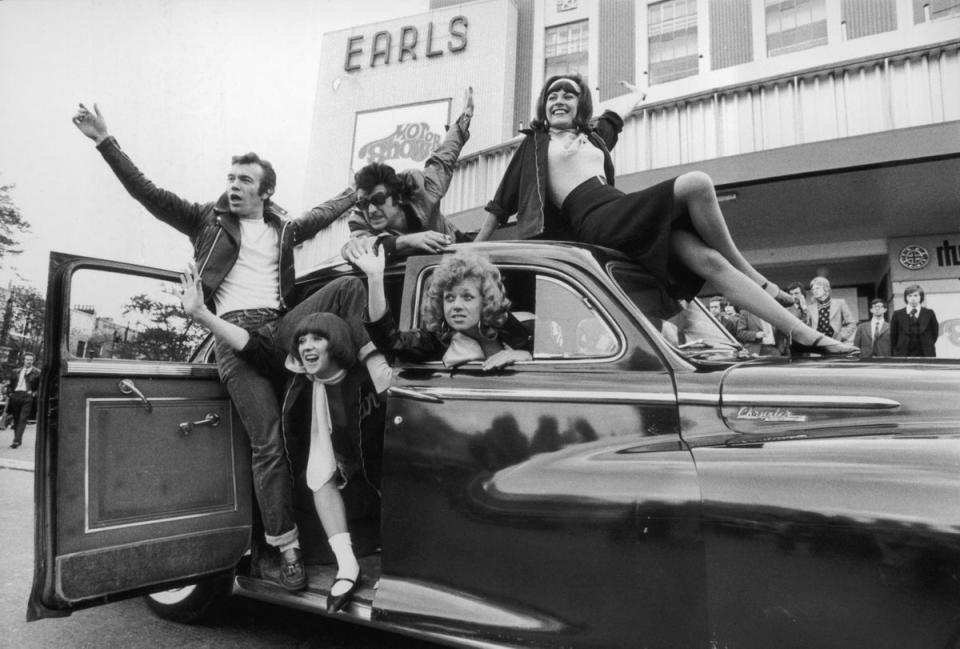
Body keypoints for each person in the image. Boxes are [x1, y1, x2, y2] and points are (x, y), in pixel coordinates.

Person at [71, 102, 390, 591]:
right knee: (268, 443)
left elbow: (326, 213)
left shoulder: (284, 229)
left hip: (280, 328)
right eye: (231, 177)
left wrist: (358, 191)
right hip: (231, 337)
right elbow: (147, 193)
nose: (234, 185)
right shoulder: (205, 221)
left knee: (348, 287)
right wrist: (104, 140)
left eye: (245, 179)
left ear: (266, 190)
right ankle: (285, 548)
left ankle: (376, 364)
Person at [476, 74, 854, 355]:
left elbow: (615, 115)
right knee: (697, 183)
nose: (559, 99)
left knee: (708, 259)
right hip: (595, 221)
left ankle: (806, 337)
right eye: (552, 95)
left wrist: (638, 94)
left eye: (568, 95)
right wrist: (472, 249)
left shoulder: (593, 138)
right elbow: (500, 202)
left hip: (619, 209)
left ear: (580, 106)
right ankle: (757, 276)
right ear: (544, 105)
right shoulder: (534, 145)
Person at [179, 263, 369, 612]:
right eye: (302, 341)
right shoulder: (296, 370)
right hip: (325, 452)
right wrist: (203, 314)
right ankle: (336, 562)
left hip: (365, 459)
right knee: (317, 476)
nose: (308, 348)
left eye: (318, 339)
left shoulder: (361, 376)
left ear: (339, 341)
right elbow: (250, 345)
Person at [340, 88, 475, 262]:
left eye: (379, 199)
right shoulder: (359, 220)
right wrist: (410, 240)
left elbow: (443, 159)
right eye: (364, 203)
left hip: (454, 248)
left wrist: (464, 119)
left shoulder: (420, 188)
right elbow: (354, 250)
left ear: (397, 196)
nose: (371, 210)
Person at [349, 248, 533, 369]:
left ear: (485, 301)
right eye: (449, 298)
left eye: (467, 297)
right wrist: (374, 278)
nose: (457, 306)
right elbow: (391, 340)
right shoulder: (437, 340)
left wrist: (520, 356)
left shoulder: (511, 328)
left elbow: (543, 354)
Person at [890, 284, 939, 357]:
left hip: (926, 353)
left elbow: (934, 333)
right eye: (909, 296)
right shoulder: (897, 314)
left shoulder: (929, 313)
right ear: (906, 298)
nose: (912, 298)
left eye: (915, 295)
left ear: (921, 297)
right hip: (904, 353)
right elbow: (893, 336)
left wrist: (927, 344)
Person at [6, 352, 40, 449]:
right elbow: (10, 384)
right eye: (27, 359)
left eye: (31, 360)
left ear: (33, 361)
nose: (29, 361)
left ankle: (16, 441)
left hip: (27, 397)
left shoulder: (37, 372)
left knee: (22, 419)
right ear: (23, 360)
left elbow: (40, 386)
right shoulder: (16, 371)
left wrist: (34, 393)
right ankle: (18, 439)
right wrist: (10, 393)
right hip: (16, 396)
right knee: (16, 419)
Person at [807, 277, 856, 345]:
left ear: (826, 288)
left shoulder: (840, 303)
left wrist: (842, 336)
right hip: (817, 346)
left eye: (817, 288)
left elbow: (851, 323)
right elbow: (806, 327)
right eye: (813, 289)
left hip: (835, 344)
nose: (814, 291)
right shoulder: (810, 308)